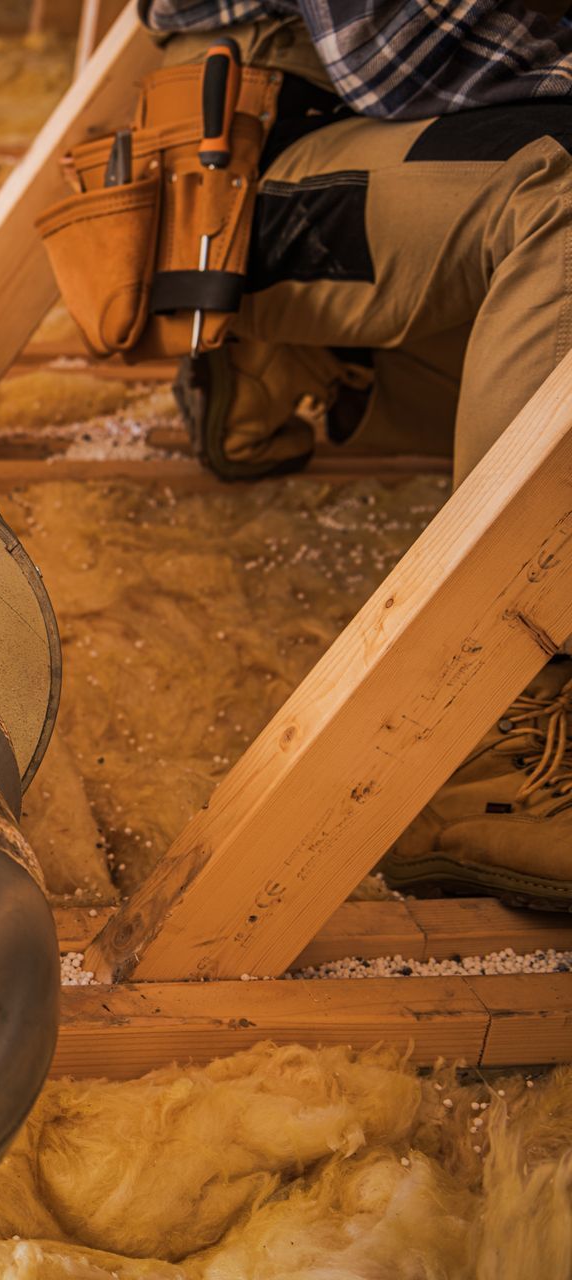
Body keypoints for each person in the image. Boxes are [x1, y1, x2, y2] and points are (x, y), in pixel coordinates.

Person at [143, 2, 572, 904]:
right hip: (258, 162)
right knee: (565, 197)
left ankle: (349, 370)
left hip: (417, 122)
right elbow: (406, 58)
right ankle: (488, 728)